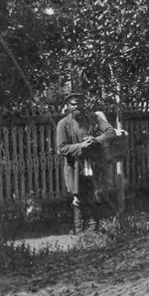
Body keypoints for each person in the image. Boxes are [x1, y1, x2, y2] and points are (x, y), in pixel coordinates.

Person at [55, 91, 122, 233]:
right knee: (78, 199)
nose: (77, 107)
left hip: (94, 164)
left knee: (96, 195)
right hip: (75, 167)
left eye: (80, 103)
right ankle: (80, 232)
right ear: (68, 106)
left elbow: (111, 132)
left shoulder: (94, 118)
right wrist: (80, 146)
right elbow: (61, 148)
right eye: (73, 104)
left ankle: (94, 231)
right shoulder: (63, 124)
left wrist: (96, 140)